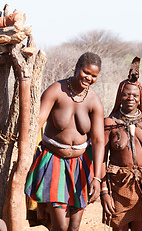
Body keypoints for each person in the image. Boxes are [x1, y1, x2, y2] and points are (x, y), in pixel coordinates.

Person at [24, 52, 105, 231]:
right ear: (77, 68)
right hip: (54, 161)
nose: (89, 78)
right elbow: (36, 123)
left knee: (74, 227)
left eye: (94, 76)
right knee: (60, 226)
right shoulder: (56, 90)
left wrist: (97, 178)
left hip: (81, 165)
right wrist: (25, 156)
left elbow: (99, 140)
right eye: (86, 72)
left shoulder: (94, 101)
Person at [100, 57, 142, 231]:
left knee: (140, 228)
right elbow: (101, 160)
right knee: (119, 228)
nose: (130, 98)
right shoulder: (109, 122)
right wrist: (104, 192)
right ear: (119, 96)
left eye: (135, 95)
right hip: (118, 186)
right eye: (126, 94)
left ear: (140, 97)